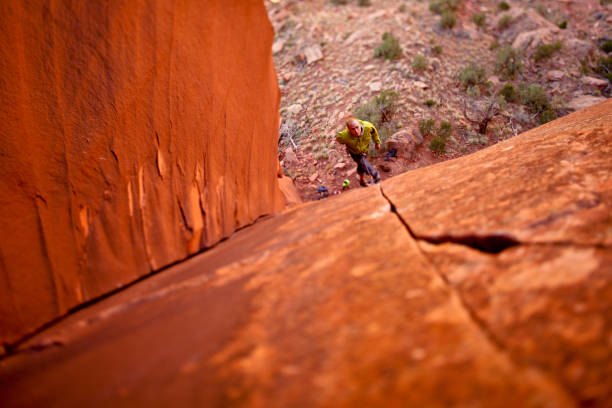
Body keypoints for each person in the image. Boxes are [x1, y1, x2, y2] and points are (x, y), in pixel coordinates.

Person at [336, 117, 382, 187]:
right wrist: (347, 143)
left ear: (360, 124)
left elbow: (374, 132)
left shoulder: (368, 127)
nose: (356, 131)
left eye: (357, 127)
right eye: (353, 129)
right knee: (363, 163)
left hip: (365, 150)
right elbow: (339, 139)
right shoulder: (344, 136)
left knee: (361, 165)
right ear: (348, 129)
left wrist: (377, 142)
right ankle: (375, 176)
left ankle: (361, 181)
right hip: (355, 153)